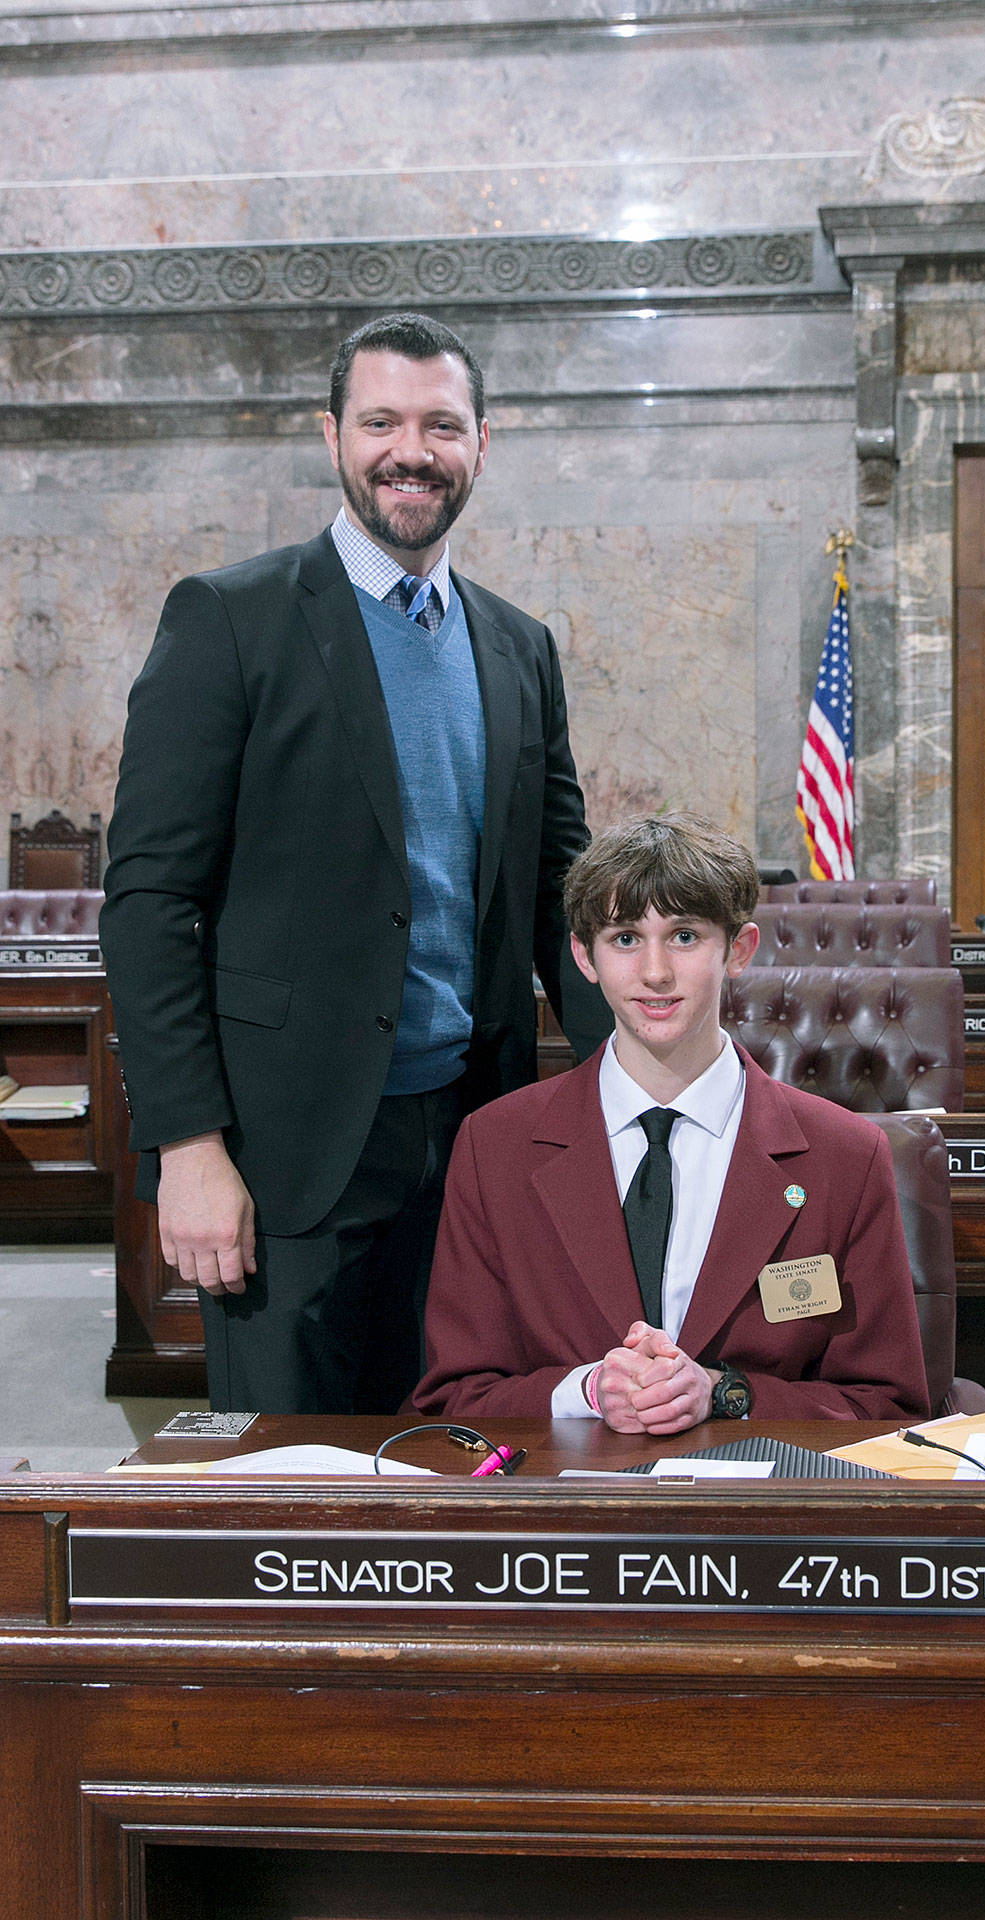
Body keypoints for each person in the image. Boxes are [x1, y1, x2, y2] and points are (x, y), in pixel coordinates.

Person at [101, 311, 608, 1416]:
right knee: (296, 1491)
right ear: (333, 435)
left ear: (482, 445)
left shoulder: (517, 645)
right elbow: (147, 902)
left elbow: (560, 896)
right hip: (288, 1148)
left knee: (456, 1456)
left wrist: (653, 1080)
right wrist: (186, 1144)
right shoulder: (228, 619)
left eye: (439, 424)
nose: (408, 450)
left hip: (476, 1136)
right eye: (380, 421)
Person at [414, 814, 930, 1431]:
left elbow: (887, 1407)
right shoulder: (494, 1145)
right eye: (625, 939)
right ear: (584, 956)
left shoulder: (844, 1156)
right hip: (565, 1511)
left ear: (738, 950)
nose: (655, 972)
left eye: (684, 936)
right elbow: (454, 1398)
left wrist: (724, 1392)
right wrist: (588, 1391)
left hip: (754, 1512)